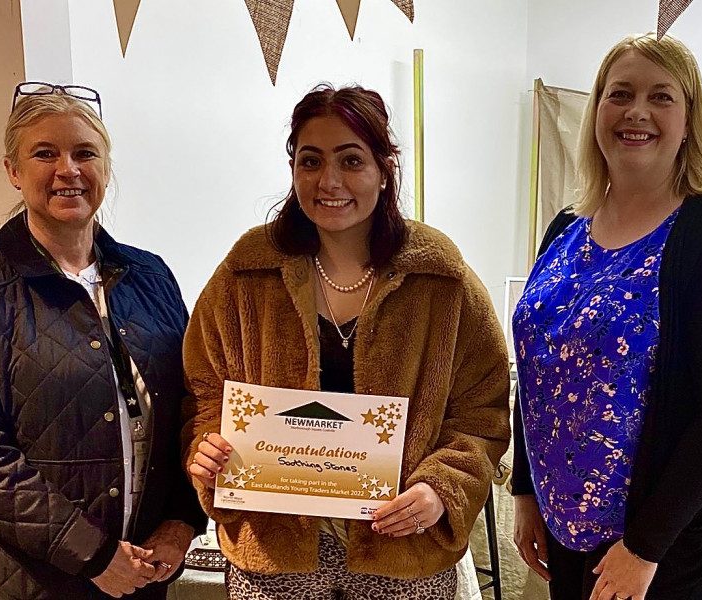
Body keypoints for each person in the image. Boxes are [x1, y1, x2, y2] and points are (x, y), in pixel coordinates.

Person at [181, 84, 511, 599]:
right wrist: (207, 449)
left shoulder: (440, 278)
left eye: (351, 160)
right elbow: (205, 392)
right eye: (310, 161)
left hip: (402, 548)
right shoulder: (246, 273)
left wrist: (441, 488)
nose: (329, 181)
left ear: (384, 169)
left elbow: (483, 411)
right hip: (276, 550)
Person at [511, 33, 702, 600]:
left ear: (688, 120)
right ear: (597, 110)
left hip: (664, 540)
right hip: (565, 520)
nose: (637, 111)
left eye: (661, 97)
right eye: (619, 93)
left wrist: (645, 547)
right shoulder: (565, 228)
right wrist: (525, 490)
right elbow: (538, 367)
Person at [0, 83, 207, 599]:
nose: (68, 170)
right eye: (44, 154)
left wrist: (182, 520)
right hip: (16, 580)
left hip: (140, 574)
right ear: (13, 171)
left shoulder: (151, 276)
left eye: (84, 153)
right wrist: (92, 554)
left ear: (105, 166)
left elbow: (193, 406)